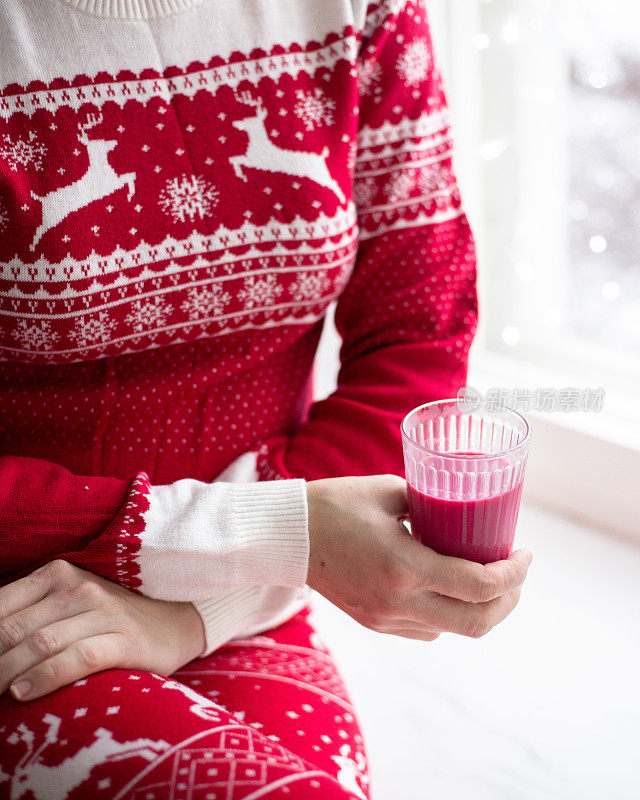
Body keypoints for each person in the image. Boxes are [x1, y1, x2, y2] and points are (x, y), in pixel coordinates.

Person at [0, 0, 531, 797]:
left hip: (250, 588)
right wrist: (277, 535)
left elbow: (416, 338)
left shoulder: (368, 11)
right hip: (25, 593)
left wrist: (220, 593)